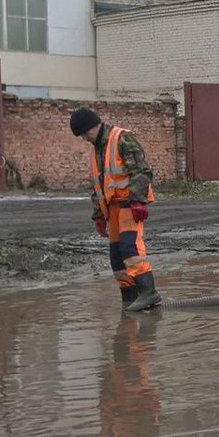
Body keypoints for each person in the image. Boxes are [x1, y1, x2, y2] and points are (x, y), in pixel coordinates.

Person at [70, 108, 164, 311]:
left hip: (129, 203)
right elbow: (98, 186)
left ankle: (149, 292)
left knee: (130, 248)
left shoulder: (122, 138)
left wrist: (138, 201)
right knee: (116, 256)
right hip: (111, 208)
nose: (85, 138)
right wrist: (98, 216)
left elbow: (142, 172)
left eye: (86, 133)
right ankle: (129, 298)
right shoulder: (97, 150)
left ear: (96, 125)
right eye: (82, 136)